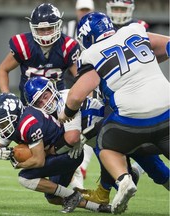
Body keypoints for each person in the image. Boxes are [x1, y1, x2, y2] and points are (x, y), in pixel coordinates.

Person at [58, 12, 169, 214]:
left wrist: (66, 113)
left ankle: (123, 179)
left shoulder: (90, 53)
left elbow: (76, 95)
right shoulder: (133, 30)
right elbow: (167, 46)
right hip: (167, 109)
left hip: (132, 118)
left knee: (104, 143)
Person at [0, 92, 111, 213]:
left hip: (67, 154)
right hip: (58, 154)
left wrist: (18, 164)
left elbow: (39, 161)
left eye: (3, 123)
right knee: (53, 197)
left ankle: (74, 195)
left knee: (25, 179)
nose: (1, 128)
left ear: (13, 117)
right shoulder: (15, 123)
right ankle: (97, 207)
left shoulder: (28, 124)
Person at [0, 3, 80, 106]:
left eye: (50, 28)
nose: (46, 33)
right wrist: (7, 95)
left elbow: (81, 77)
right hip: (29, 103)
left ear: (57, 26)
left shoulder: (67, 46)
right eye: (42, 29)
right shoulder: (24, 45)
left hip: (57, 103)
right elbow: (3, 70)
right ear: (34, 29)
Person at [62, 0, 96, 187]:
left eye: (86, 10)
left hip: (92, 78)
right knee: (71, 125)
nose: (83, 13)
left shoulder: (96, 28)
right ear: (76, 11)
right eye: (81, 10)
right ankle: (74, 168)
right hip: (72, 79)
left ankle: (81, 166)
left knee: (90, 123)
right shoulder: (69, 28)